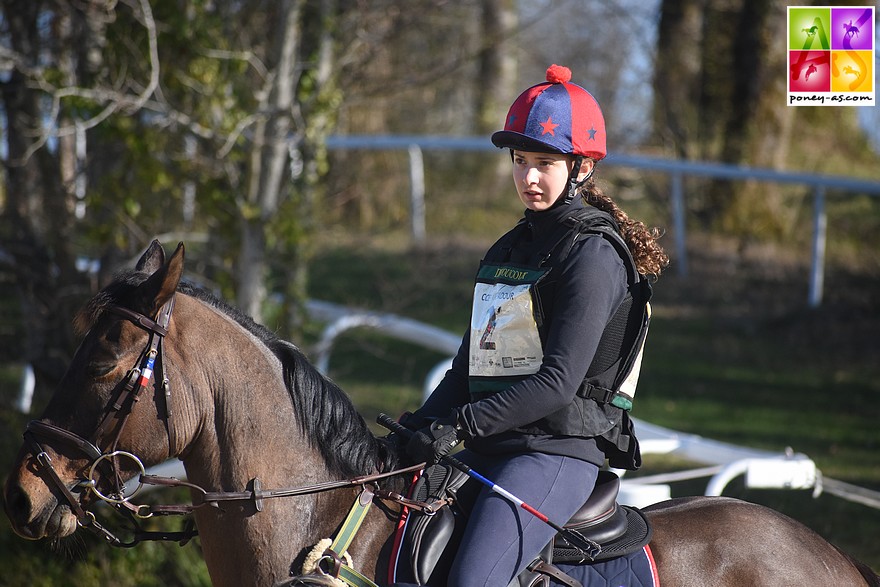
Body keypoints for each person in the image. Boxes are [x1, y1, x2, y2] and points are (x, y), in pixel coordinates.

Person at [398, 64, 669, 586]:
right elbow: (468, 367)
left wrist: (465, 424)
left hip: (555, 451)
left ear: (582, 167)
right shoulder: (509, 248)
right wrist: (416, 429)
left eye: (545, 164)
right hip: (496, 441)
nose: (529, 178)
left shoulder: (593, 257)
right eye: (521, 162)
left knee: (472, 581)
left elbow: (558, 383)